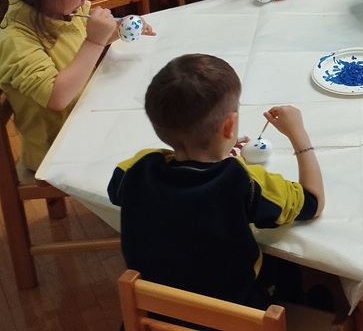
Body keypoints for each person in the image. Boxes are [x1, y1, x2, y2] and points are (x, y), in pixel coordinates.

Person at [107, 53, 324, 306]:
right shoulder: (244, 180)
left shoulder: (136, 168)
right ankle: (299, 303)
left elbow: (116, 190)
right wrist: (298, 134)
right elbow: (313, 202)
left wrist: (212, 152)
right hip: (237, 312)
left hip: (159, 307)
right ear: (229, 126)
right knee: (285, 262)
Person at [0, 0, 153, 179]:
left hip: (88, 118)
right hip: (58, 148)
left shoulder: (61, 7)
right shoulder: (13, 37)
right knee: (148, 161)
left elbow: (78, 47)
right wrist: (94, 41)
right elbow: (56, 96)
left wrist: (117, 30)